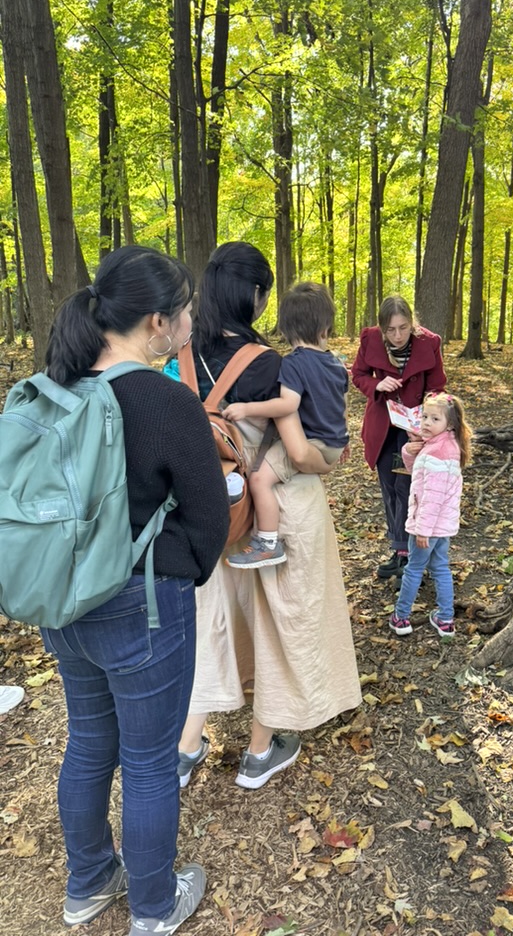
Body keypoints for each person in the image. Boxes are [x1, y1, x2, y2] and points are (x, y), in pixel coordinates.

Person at [39, 246, 230, 935]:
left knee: (90, 742)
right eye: (185, 314)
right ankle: (153, 906)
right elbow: (209, 520)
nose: (191, 322)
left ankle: (87, 883)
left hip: (60, 600)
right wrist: (183, 566)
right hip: (140, 603)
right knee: (150, 762)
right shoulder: (165, 401)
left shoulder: (54, 388)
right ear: (158, 322)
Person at [177, 243, 361, 792]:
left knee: (213, 625)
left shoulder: (176, 355)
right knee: (276, 624)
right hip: (268, 516)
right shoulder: (269, 365)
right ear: (255, 296)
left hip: (203, 516)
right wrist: (332, 456)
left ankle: (185, 750)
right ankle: (259, 751)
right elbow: (301, 454)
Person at [222, 282, 348, 569]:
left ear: (287, 328)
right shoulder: (337, 364)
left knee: (258, 480)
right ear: (325, 327)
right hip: (333, 444)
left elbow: (288, 405)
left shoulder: (293, 364)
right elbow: (340, 405)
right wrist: (345, 440)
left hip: (311, 444)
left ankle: (267, 542)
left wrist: (246, 409)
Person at [351, 296, 446, 581]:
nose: (397, 335)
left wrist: (426, 413)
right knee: (390, 487)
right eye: (391, 330)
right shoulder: (370, 340)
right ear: (382, 328)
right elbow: (357, 374)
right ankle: (399, 551)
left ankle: (414, 554)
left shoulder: (429, 342)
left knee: (409, 487)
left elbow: (438, 387)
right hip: (383, 426)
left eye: (403, 328)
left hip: (415, 429)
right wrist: (377, 384)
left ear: (412, 323)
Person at [388, 391, 471, 638]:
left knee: (414, 569)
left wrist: (423, 529)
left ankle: (401, 617)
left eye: (435, 419)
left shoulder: (438, 452)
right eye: (425, 416)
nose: (426, 423)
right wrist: (410, 451)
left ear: (450, 424)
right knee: (440, 568)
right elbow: (417, 473)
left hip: (427, 525)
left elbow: (432, 496)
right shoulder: (441, 445)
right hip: (442, 525)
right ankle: (445, 619)